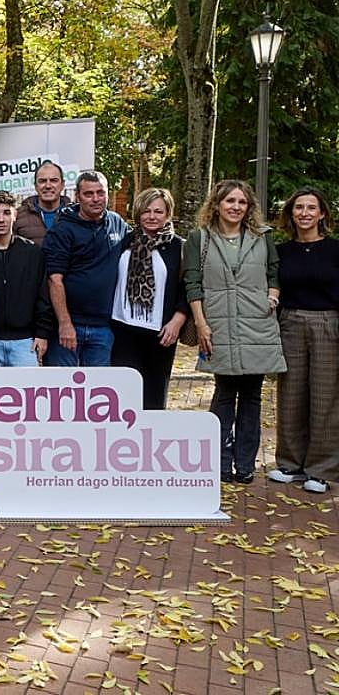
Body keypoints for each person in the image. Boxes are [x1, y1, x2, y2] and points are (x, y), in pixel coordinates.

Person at [185, 179, 286, 485]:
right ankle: (218, 463)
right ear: (216, 205)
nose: (235, 207)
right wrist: (201, 323)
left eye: (241, 202)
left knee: (253, 396)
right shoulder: (199, 238)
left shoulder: (262, 237)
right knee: (225, 394)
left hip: (257, 323)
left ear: (249, 207)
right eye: (230, 201)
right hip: (218, 324)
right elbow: (192, 283)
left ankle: (245, 465)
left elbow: (274, 271)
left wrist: (272, 296)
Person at [269, 187, 339, 493]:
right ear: (291, 213)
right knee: (290, 393)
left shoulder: (336, 250)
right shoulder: (282, 251)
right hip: (291, 322)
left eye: (312, 208)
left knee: (325, 397)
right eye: (299, 208)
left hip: (328, 323)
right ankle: (290, 463)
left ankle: (320, 470)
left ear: (322, 214)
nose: (305, 213)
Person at [108, 188, 189, 410]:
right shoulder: (125, 242)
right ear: (138, 213)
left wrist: (177, 321)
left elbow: (188, 288)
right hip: (123, 329)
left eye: (158, 212)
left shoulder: (179, 247)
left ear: (167, 214)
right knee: (124, 398)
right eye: (146, 211)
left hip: (161, 333)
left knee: (153, 399)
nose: (152, 217)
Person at [43, 171, 130, 366]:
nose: (96, 199)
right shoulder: (62, 230)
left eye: (101, 193)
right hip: (68, 326)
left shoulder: (117, 223)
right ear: (77, 196)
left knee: (98, 393)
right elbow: (54, 280)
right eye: (89, 194)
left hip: (104, 327)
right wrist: (65, 323)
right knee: (62, 390)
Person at [0, 190, 52, 367]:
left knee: (26, 394)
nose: (1, 219)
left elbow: (43, 296)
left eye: (6, 213)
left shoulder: (32, 252)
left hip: (24, 342)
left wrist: (42, 333)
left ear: (15, 215)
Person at [15, 160, 69, 246]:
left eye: (54, 180)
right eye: (42, 181)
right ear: (35, 186)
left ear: (62, 185)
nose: (48, 186)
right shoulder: (18, 216)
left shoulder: (76, 214)